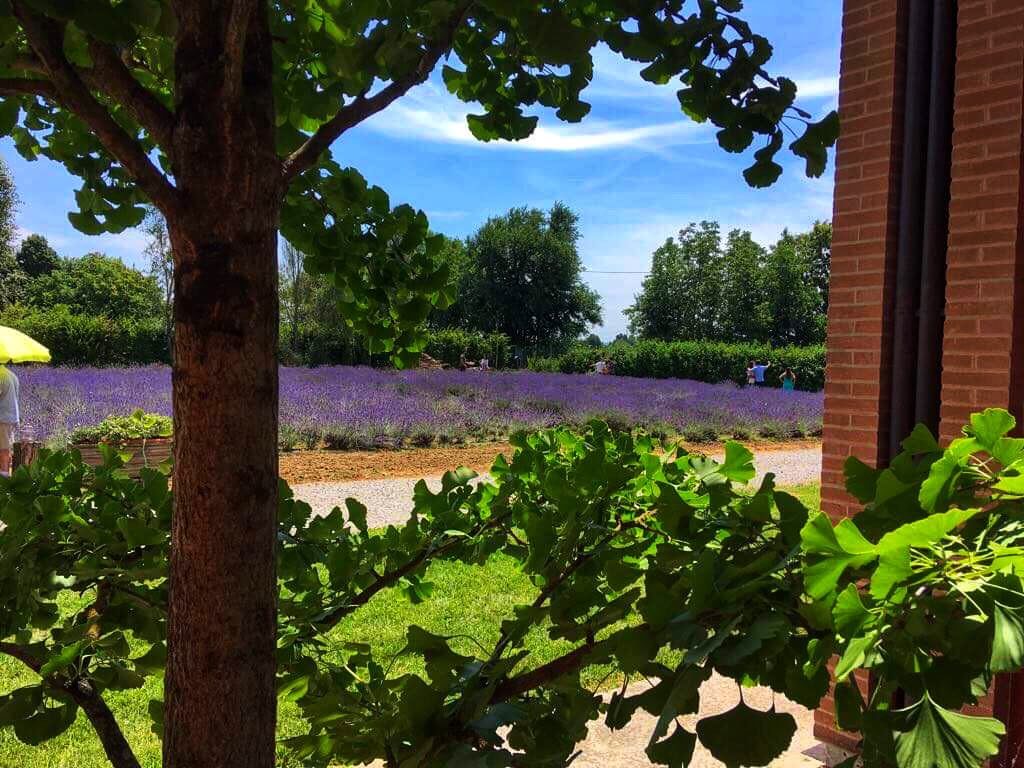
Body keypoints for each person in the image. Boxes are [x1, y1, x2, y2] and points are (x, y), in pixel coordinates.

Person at [0, 364, 19, 476]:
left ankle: (4, 480)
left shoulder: (1, 375)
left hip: (3, 418)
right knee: (5, 448)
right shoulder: (11, 374)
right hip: (10, 417)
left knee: (3, 449)